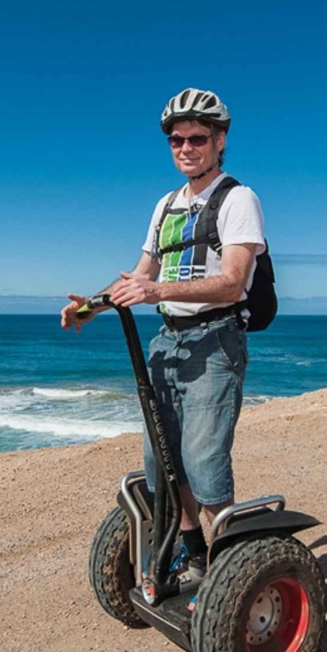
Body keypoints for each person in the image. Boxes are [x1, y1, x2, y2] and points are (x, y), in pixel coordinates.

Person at [61, 88, 264, 593]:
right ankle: (194, 553)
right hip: (167, 341)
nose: (186, 148)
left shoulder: (237, 199)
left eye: (198, 138)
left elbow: (233, 283)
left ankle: (230, 569)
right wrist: (89, 307)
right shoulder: (167, 205)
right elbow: (140, 274)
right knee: (164, 460)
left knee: (204, 460)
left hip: (215, 341)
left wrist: (158, 291)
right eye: (177, 140)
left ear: (220, 140)